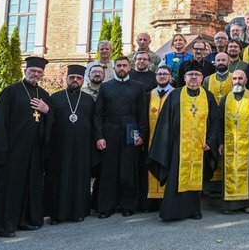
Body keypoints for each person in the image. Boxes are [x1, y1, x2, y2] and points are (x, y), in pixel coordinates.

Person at [0, 57, 52, 237]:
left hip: (34, 152)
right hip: (13, 150)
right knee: (9, 187)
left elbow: (51, 123)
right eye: (33, 71)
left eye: (39, 72)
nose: (36, 74)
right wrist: (0, 148)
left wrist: (47, 111)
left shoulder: (44, 95)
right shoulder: (11, 92)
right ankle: (4, 225)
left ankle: (24, 221)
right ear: (26, 70)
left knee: (28, 186)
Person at [148, 61, 217, 221]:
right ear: (184, 77)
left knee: (195, 176)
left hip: (200, 146)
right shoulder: (175, 95)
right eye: (190, 74)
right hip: (178, 146)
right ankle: (172, 212)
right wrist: (167, 144)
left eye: (197, 75)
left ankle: (193, 211)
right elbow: (164, 122)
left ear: (202, 78)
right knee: (175, 177)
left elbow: (215, 121)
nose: (193, 77)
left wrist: (211, 141)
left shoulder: (208, 96)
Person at [93, 56, 148, 218]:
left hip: (131, 130)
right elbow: (97, 115)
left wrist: (142, 135)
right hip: (109, 131)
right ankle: (106, 207)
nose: (122, 68)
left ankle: (128, 205)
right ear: (114, 68)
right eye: (119, 65)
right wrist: (99, 136)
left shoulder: (139, 88)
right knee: (108, 170)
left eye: (124, 65)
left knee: (128, 169)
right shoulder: (105, 87)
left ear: (129, 67)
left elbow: (142, 114)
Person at [44, 65, 96, 225]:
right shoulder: (55, 97)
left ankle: (78, 212)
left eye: (79, 78)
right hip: (59, 146)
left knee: (79, 178)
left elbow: (94, 123)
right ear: (67, 79)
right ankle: (56, 214)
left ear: (83, 80)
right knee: (58, 178)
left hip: (82, 147)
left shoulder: (88, 100)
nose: (75, 80)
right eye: (72, 77)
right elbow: (49, 121)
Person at [216, 69, 249, 214]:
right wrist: (220, 142)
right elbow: (219, 121)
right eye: (234, 79)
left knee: (248, 173)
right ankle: (228, 205)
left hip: (247, 144)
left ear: (246, 80)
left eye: (241, 78)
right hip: (229, 143)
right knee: (229, 171)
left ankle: (248, 203)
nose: (237, 81)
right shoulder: (225, 99)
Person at [145, 65, 174, 210]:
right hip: (150, 139)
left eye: (165, 74)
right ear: (156, 77)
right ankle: (152, 201)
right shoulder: (148, 95)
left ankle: (166, 200)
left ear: (170, 77)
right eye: (159, 74)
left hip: (169, 140)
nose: (162, 76)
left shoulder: (176, 94)